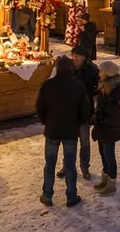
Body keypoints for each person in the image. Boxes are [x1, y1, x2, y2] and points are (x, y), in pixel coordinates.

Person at [36, 55, 90, 207]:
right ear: (71, 68)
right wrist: (78, 123)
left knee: (50, 164)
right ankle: (71, 196)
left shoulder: (48, 85)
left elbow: (40, 107)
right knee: (70, 165)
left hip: (52, 130)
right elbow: (85, 109)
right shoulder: (78, 86)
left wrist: (46, 122)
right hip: (70, 131)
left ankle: (47, 195)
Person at [58, 45, 99, 181]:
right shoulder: (67, 68)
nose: (74, 58)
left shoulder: (92, 71)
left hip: (84, 112)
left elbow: (97, 91)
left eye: (77, 56)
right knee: (69, 141)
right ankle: (67, 166)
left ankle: (84, 167)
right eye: (73, 55)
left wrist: (94, 109)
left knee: (84, 142)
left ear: (84, 58)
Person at [91, 61, 120, 197]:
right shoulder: (103, 85)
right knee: (102, 153)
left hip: (109, 127)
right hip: (102, 126)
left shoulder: (114, 90)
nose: (99, 73)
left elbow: (111, 111)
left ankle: (111, 184)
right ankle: (105, 179)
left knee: (109, 155)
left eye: (102, 71)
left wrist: (99, 114)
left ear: (108, 73)